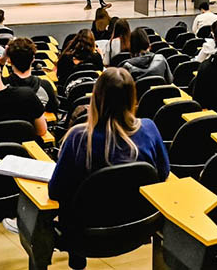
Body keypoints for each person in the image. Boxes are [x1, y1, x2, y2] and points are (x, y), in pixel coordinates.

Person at [48, 67, 169, 270]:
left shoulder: (78, 137)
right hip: (140, 226)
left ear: (96, 97)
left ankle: (76, 260)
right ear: (132, 97)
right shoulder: (149, 128)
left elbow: (56, 191)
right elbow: (163, 174)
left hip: (84, 232)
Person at [5, 37, 59, 114]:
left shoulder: (2, 85)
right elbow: (53, 109)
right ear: (33, 59)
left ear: (9, 60)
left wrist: (3, 59)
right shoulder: (45, 85)